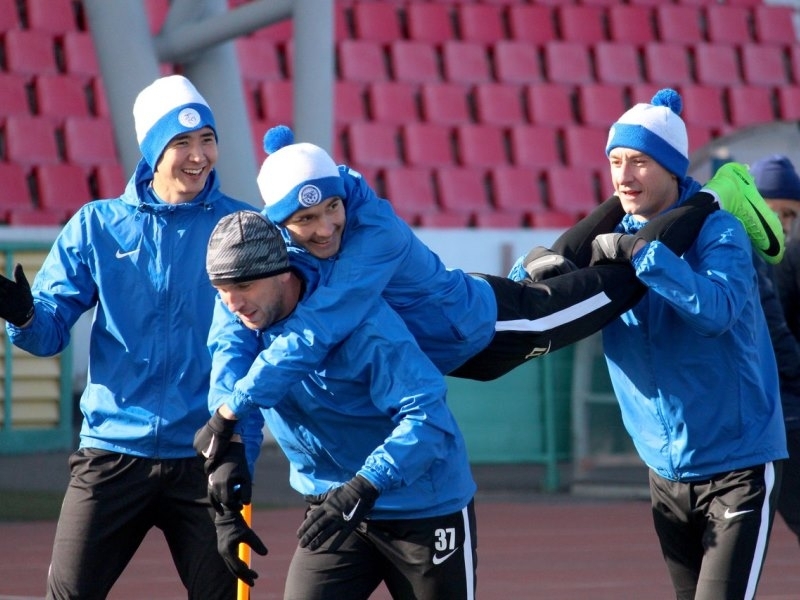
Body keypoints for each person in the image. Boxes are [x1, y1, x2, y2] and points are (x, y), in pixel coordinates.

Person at [193, 120, 783, 460]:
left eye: (331, 209)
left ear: (342, 196)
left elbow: (317, 328)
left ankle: (716, 193)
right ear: (281, 224)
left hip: (498, 331)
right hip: (471, 313)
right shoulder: (285, 245)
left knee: (625, 276)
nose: (324, 229)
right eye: (305, 220)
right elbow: (235, 325)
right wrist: (230, 421)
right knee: (561, 260)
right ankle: (647, 211)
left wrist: (232, 409)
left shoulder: (373, 234)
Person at [0, 75, 259, 598]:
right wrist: (23, 315)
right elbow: (48, 333)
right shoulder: (97, 225)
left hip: (207, 453)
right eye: (181, 142)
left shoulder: (241, 227)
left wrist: (240, 451)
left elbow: (267, 341)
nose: (198, 156)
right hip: (111, 452)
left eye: (207, 139)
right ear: (152, 150)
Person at [535, 88, 787, 599]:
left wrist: (642, 255)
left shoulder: (719, 231)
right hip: (664, 473)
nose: (624, 176)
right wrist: (534, 270)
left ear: (672, 168)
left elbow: (716, 312)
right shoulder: (604, 237)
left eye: (640, 162)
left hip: (737, 465)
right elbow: (538, 301)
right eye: (615, 161)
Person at [203, 210, 478, 599]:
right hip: (331, 507)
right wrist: (227, 500)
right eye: (221, 289)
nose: (233, 303)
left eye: (244, 285)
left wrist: (365, 485)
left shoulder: (365, 325)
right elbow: (230, 396)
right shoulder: (240, 317)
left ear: (283, 272)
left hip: (420, 506)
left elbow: (428, 418)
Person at [750, 154, 800, 548]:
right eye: (774, 211)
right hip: (772, 415)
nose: (782, 223)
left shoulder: (778, 257)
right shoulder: (741, 256)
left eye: (790, 215)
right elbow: (775, 333)